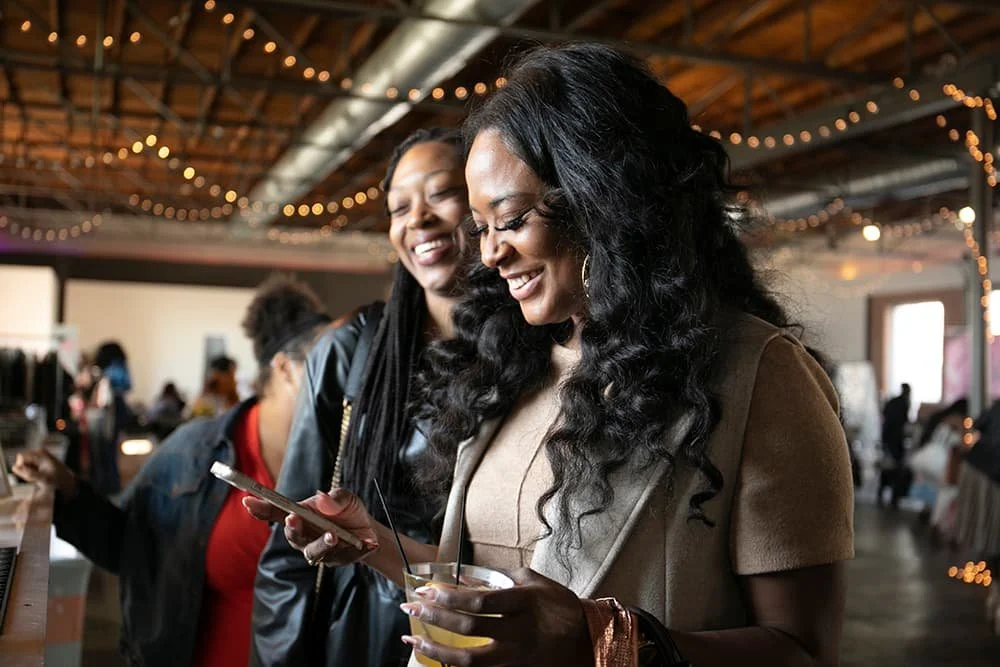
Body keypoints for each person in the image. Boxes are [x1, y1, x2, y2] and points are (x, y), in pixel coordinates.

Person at [270, 44, 855, 667]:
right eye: (481, 227)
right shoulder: (515, 367)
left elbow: (803, 651)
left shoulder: (761, 374)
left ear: (603, 200)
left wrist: (599, 642)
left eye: (512, 218)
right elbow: (496, 588)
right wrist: (373, 543)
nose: (490, 254)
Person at [13, 275, 330, 667]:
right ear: (286, 370)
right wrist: (68, 489)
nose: (343, 380)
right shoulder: (194, 452)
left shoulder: (343, 466)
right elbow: (126, 545)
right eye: (329, 364)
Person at [247, 127, 469, 667]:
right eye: (399, 207)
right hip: (367, 634)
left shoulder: (543, 350)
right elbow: (289, 549)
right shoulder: (352, 351)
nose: (417, 219)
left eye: (441, 193)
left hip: (493, 628)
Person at [88, 341, 133, 495]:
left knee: (106, 452)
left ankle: (107, 487)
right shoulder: (118, 367)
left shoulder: (112, 369)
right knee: (108, 452)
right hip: (112, 413)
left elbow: (123, 386)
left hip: (109, 414)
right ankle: (109, 486)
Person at [879, 383, 912, 507]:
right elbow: (904, 423)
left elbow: (885, 414)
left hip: (887, 438)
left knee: (886, 467)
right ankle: (894, 497)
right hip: (896, 440)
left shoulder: (893, 401)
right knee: (896, 469)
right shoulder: (904, 403)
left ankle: (881, 493)